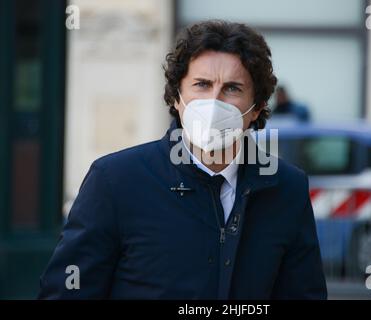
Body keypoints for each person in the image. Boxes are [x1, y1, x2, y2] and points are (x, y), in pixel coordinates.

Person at [38, 20, 327, 299]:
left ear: (257, 107)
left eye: (232, 88)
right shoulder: (116, 181)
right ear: (177, 98)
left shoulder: (286, 189)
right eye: (202, 85)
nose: (214, 102)